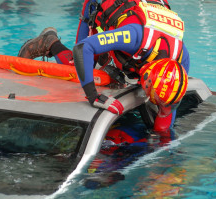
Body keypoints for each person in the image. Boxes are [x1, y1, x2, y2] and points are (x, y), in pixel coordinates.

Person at [18, 0, 190, 135]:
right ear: (147, 77)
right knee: (80, 69)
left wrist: (161, 140)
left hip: (135, 16)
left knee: (114, 71)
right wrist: (93, 96)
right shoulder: (136, 37)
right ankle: (49, 41)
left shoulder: (182, 58)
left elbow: (167, 110)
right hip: (111, 8)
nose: (145, 94)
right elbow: (82, 49)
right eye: (148, 90)